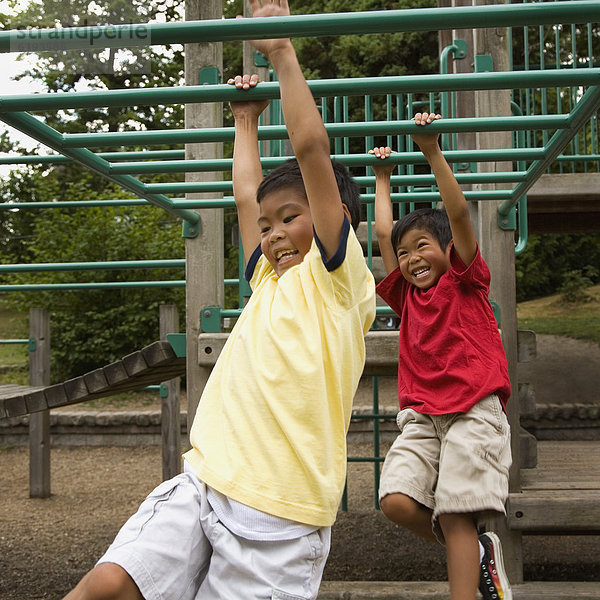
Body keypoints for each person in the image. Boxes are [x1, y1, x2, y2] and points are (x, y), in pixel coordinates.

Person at [62, 1, 375, 599]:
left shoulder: (336, 283)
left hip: (279, 512)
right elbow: (244, 199)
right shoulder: (268, 280)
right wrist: (244, 122)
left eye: (292, 217)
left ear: (337, 220)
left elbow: (314, 154)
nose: (275, 231)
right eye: (269, 225)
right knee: (107, 584)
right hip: (205, 479)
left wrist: (282, 52)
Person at [369, 112, 513, 600]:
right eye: (404, 254)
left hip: (473, 410)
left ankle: (465, 578)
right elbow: (383, 232)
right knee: (394, 501)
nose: (411, 259)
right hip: (424, 418)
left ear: (445, 250)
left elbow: (458, 215)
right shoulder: (404, 296)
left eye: (422, 247)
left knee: (455, 513)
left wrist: (431, 149)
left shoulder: (464, 278)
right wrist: (382, 179)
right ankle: (474, 552)